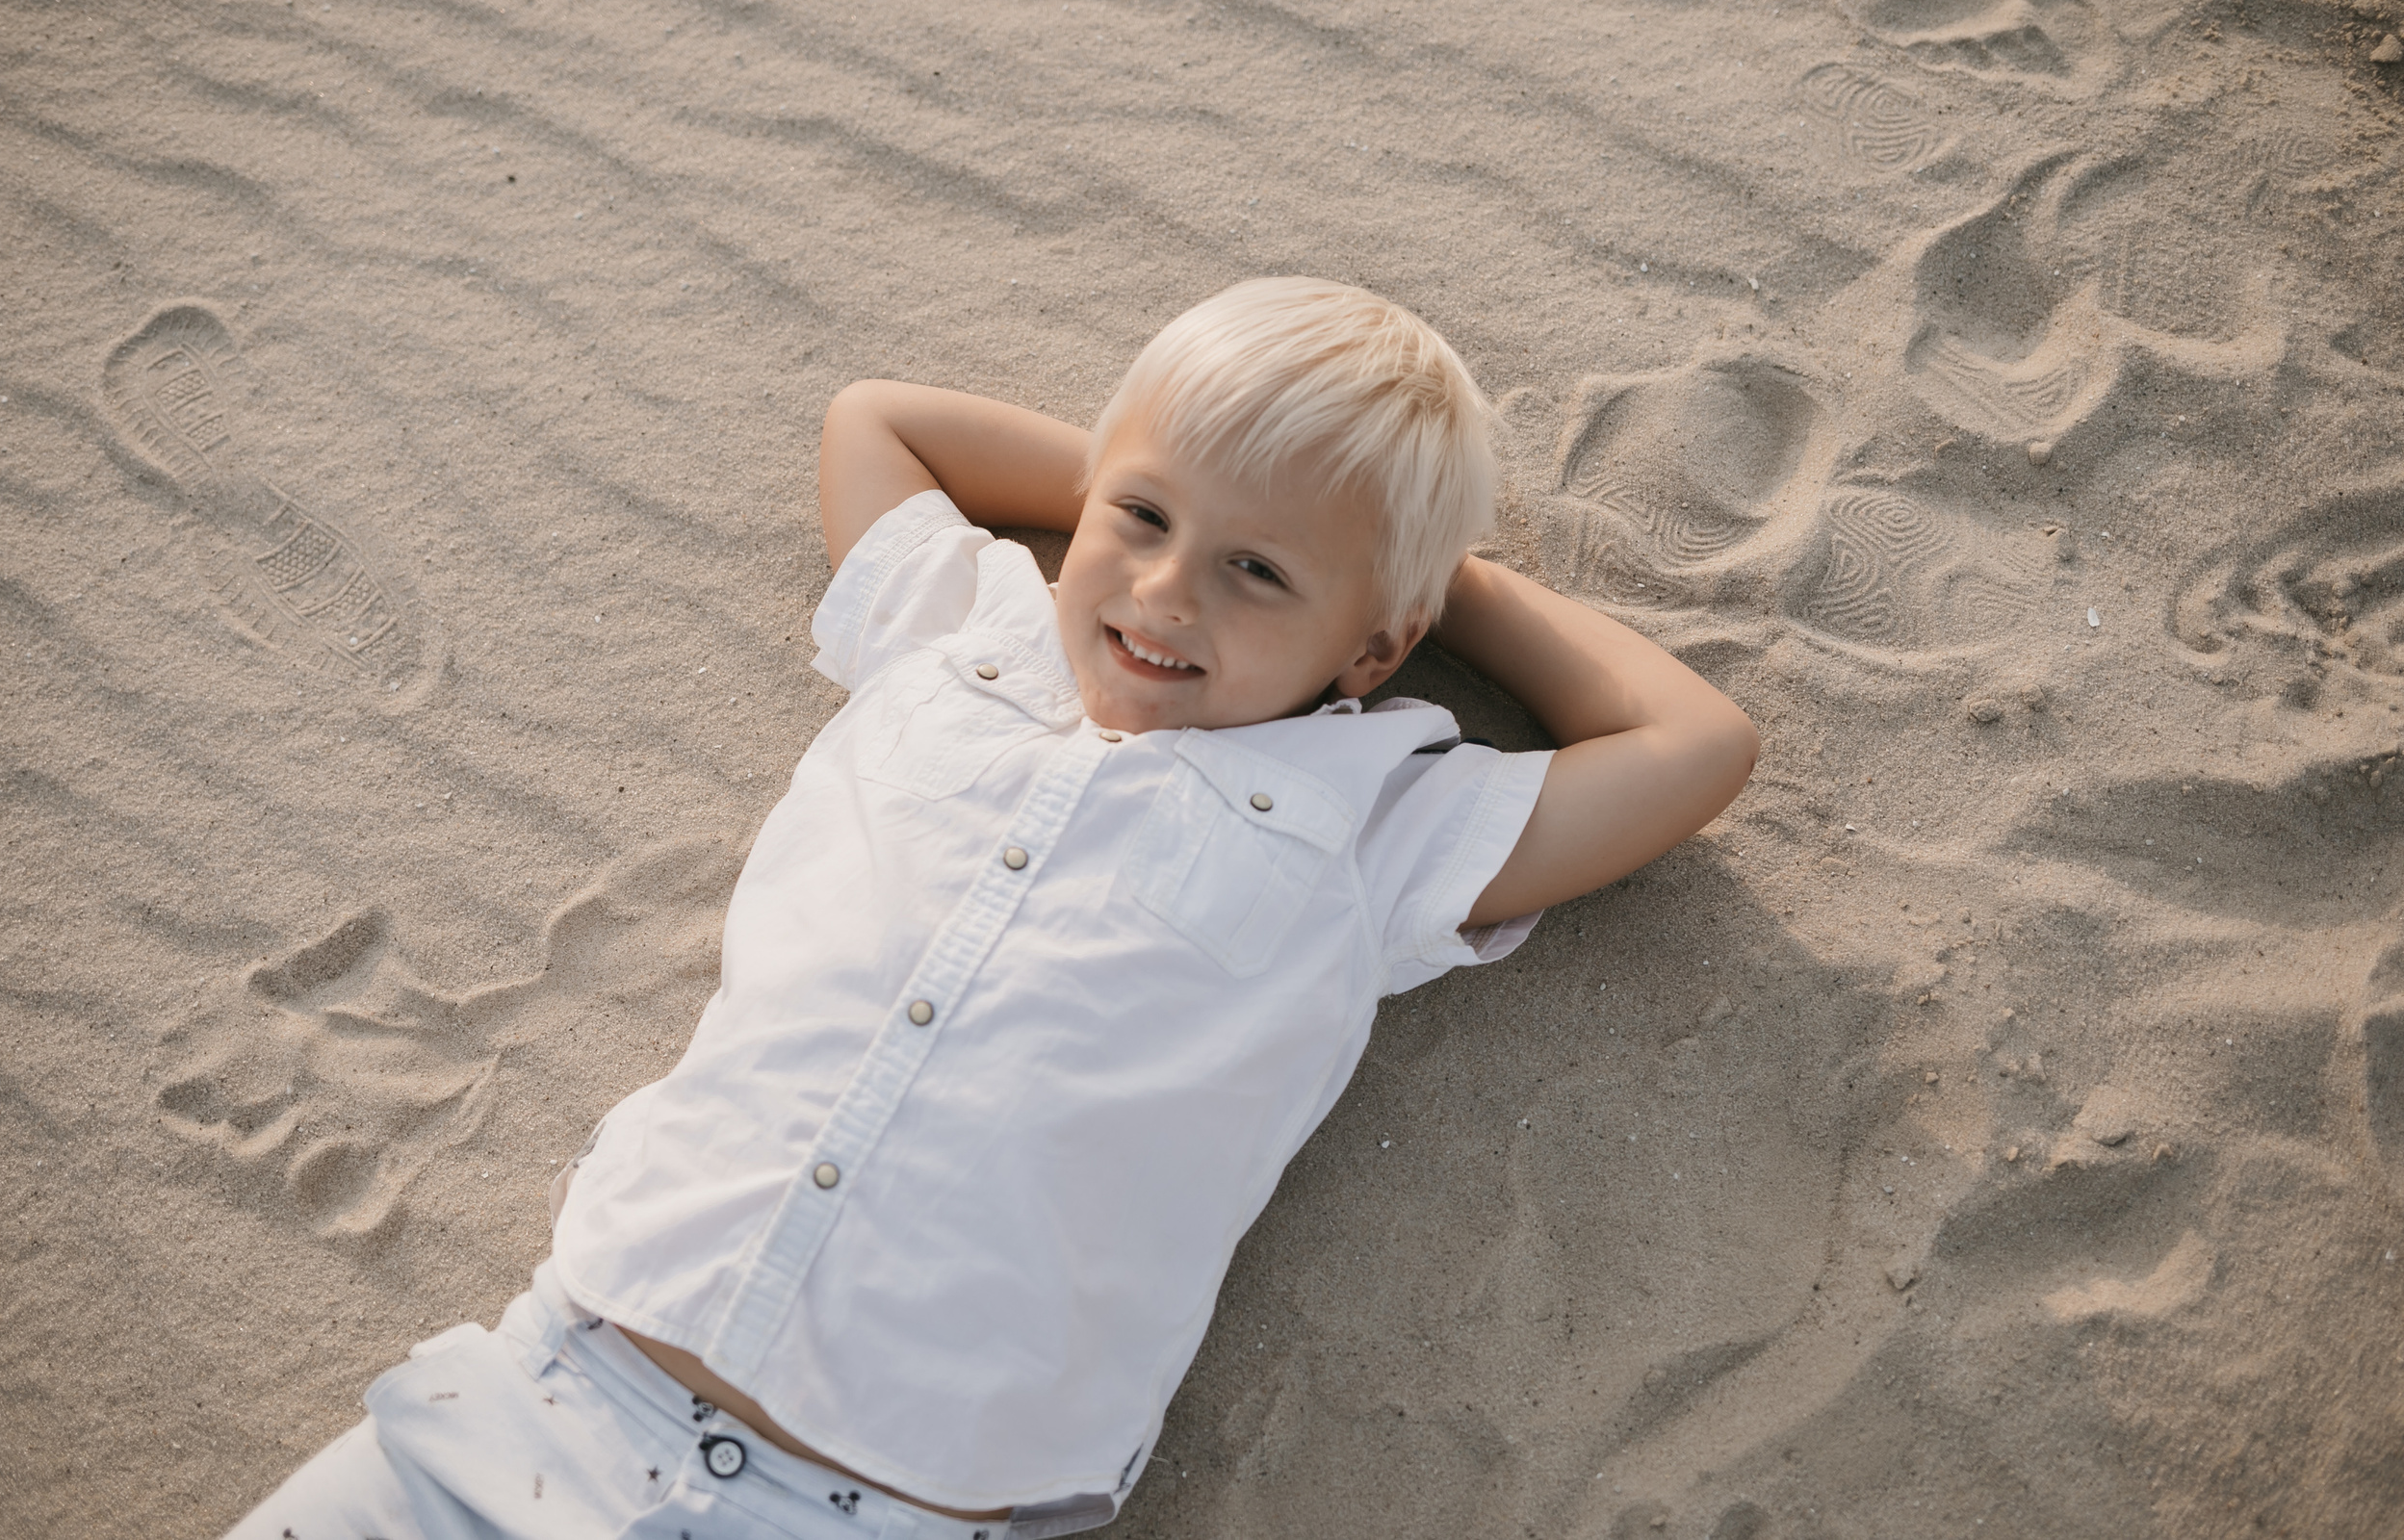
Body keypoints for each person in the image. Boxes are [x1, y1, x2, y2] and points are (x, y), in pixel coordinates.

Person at [227, 277, 1757, 1540]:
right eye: (1139, 518)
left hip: (883, 1510)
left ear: (1373, 650)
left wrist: (1435, 582)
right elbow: (878, 421)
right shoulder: (962, 635)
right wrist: (1199, 493)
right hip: (541, 1392)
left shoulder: (1373, 823)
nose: (1165, 594)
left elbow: (1693, 746)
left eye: (1256, 572)